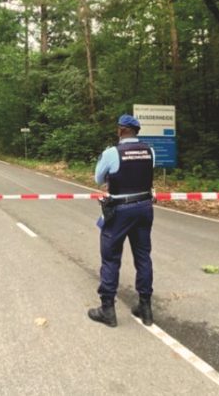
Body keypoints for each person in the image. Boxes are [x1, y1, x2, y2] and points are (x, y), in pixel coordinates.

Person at [88, 114, 155, 328]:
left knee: (111, 258)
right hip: (144, 208)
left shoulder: (112, 153)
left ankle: (107, 309)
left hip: (120, 211)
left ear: (122, 130)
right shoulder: (149, 151)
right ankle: (145, 308)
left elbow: (98, 179)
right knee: (143, 257)